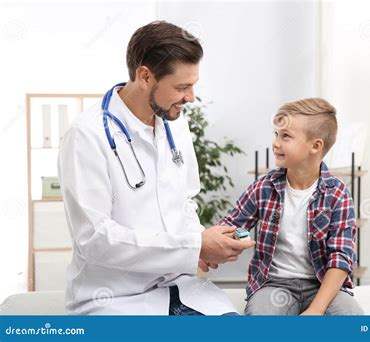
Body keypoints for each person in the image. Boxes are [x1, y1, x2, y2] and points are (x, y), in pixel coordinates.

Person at [58, 21, 254, 315]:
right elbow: (95, 239)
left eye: (193, 84)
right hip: (117, 300)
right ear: (145, 76)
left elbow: (185, 201)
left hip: (183, 288)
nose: (190, 97)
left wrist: (202, 246)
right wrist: (193, 247)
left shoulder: (176, 125)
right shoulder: (87, 135)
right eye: (182, 87)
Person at [217, 98, 364, 315]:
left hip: (321, 285)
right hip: (275, 284)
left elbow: (341, 259)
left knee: (352, 319)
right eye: (276, 134)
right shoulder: (264, 187)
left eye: (285, 136)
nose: (276, 142)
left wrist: (316, 309)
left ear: (315, 146)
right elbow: (230, 225)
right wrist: (208, 252)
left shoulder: (338, 194)